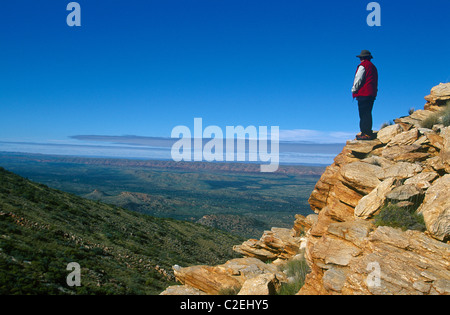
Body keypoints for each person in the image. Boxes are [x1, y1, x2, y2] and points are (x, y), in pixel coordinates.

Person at [352, 50, 378, 140]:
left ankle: (366, 133)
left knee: (363, 114)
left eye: (360, 58)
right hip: (372, 93)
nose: (360, 60)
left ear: (362, 58)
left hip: (364, 93)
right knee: (368, 113)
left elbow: (358, 78)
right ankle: (366, 132)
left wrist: (354, 89)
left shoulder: (363, 66)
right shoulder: (373, 67)